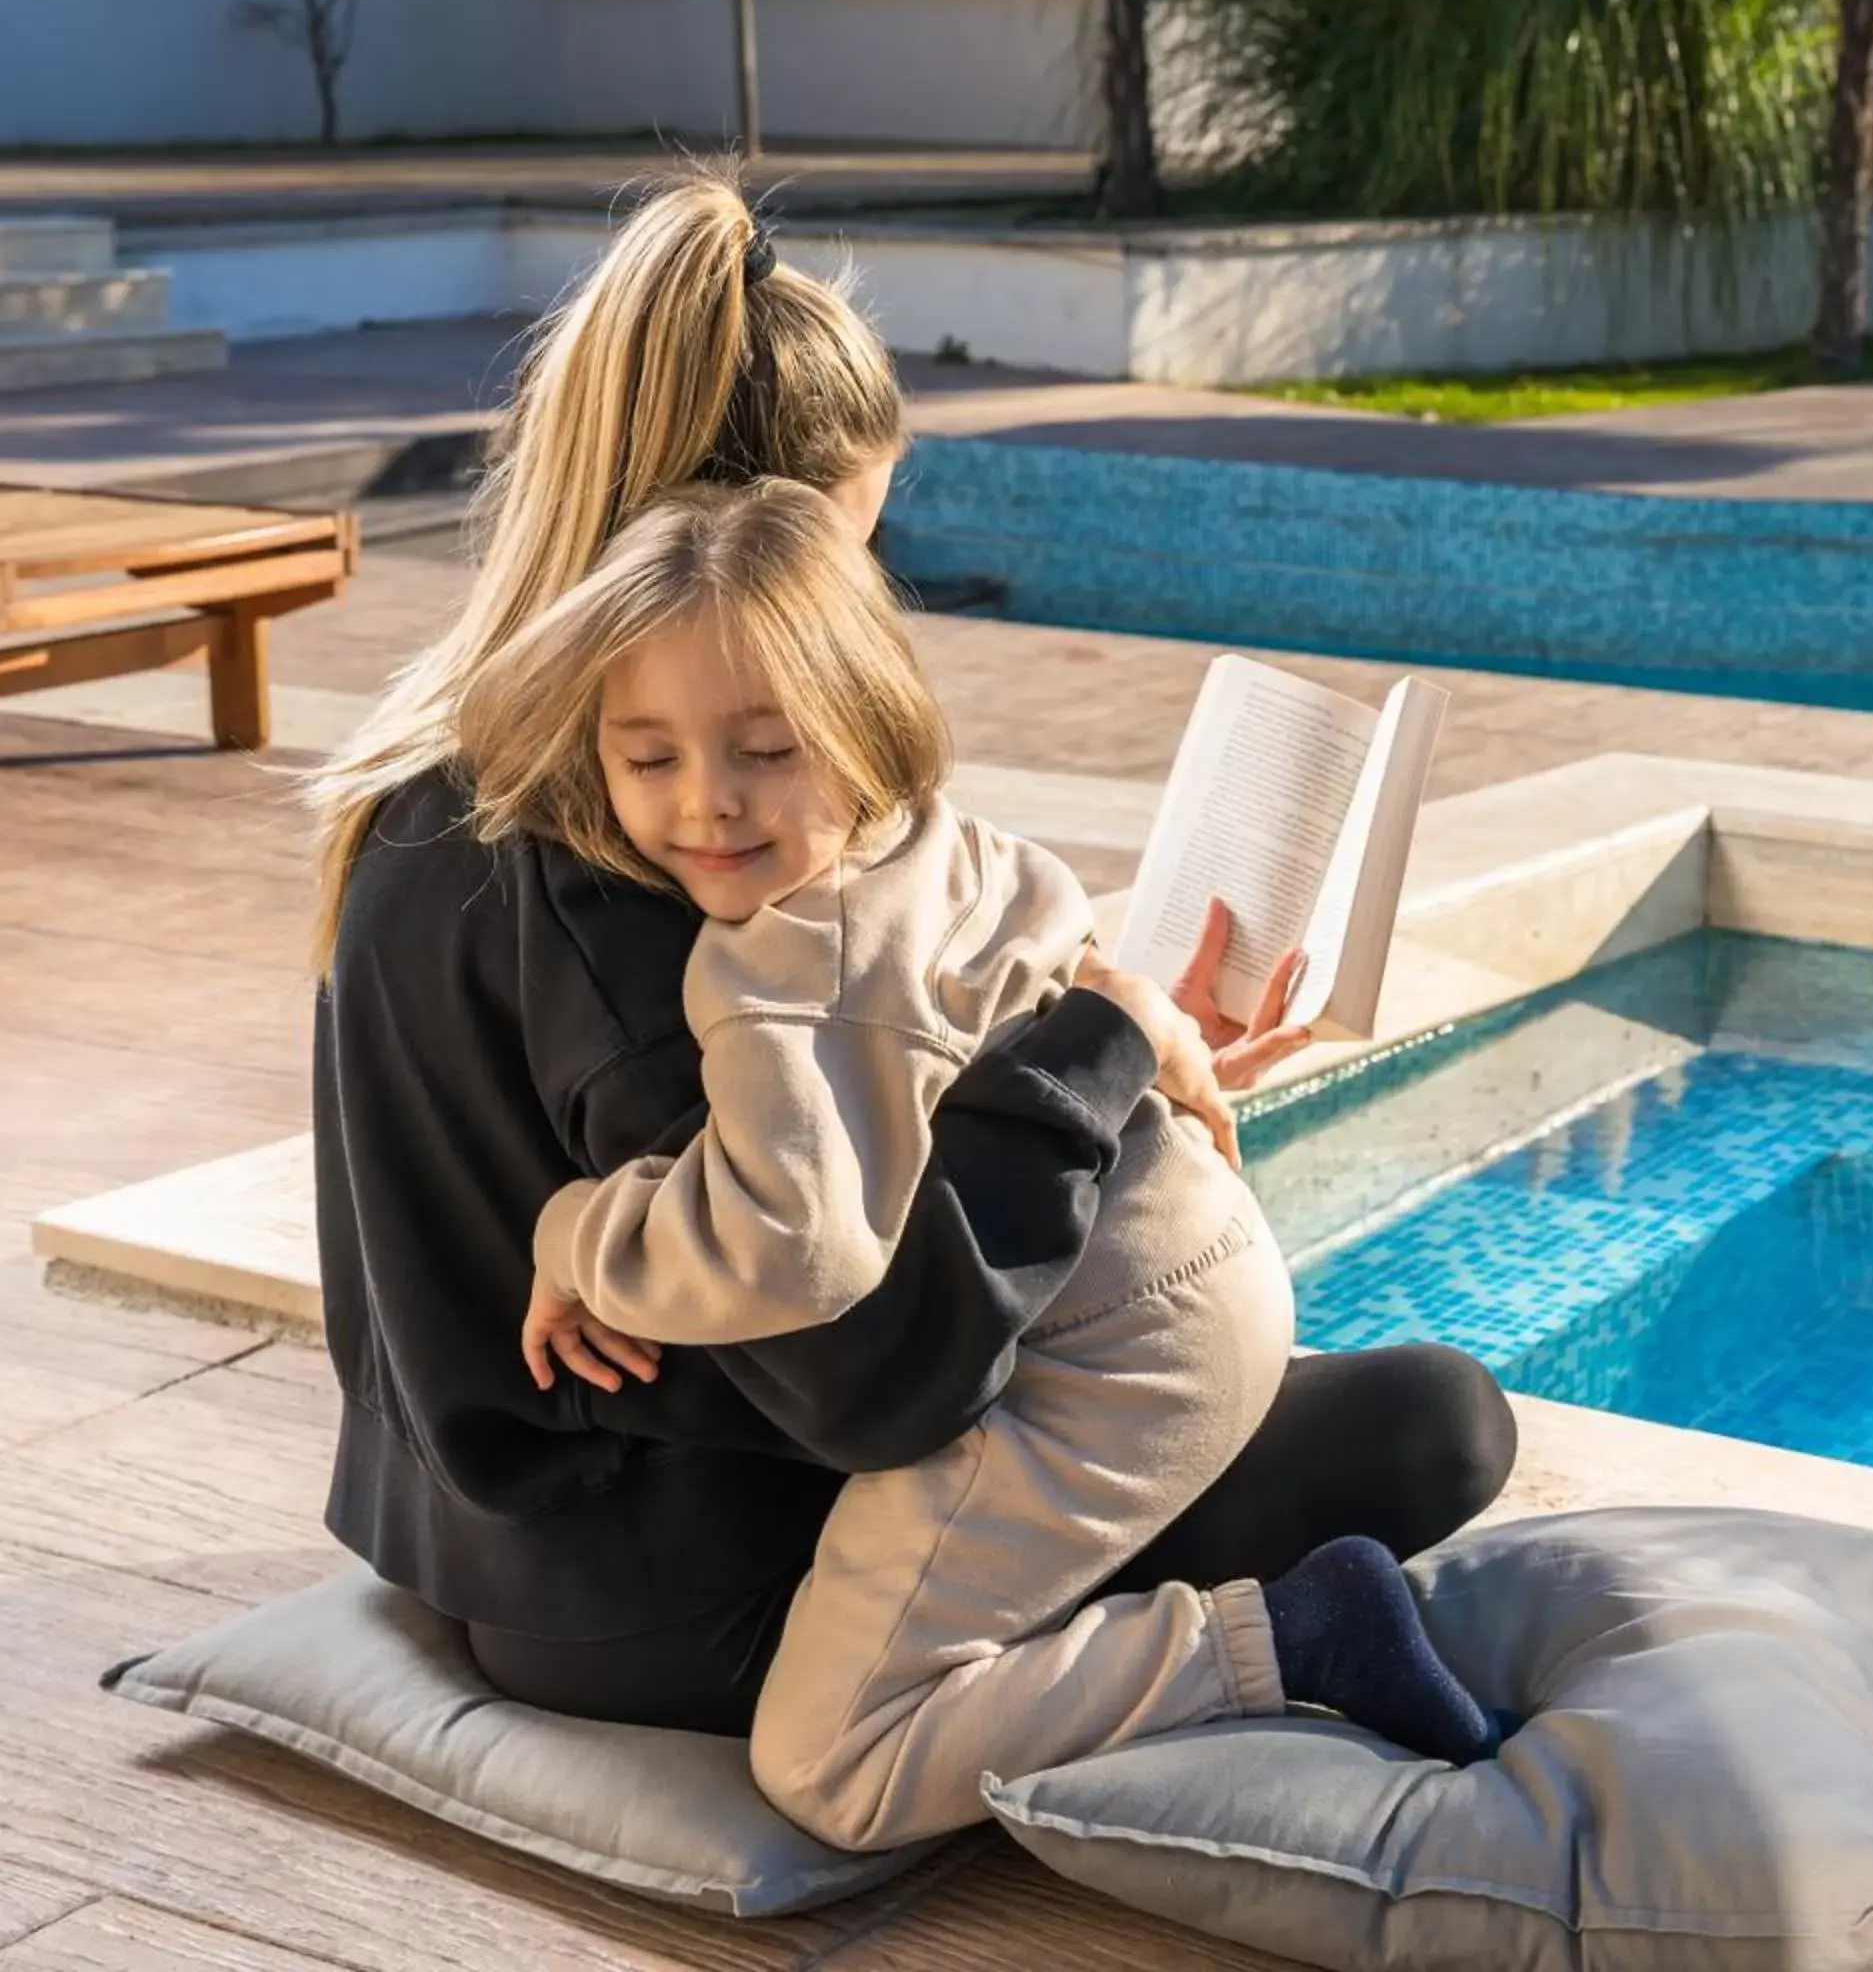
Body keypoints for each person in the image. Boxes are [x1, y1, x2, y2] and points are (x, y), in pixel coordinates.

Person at [303, 169, 1517, 1751]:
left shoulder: (472, 776)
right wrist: (1095, 1055)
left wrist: (1122, 1033)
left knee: (1307, 1388)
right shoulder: (623, 884)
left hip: (476, 1530)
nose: (860, 610)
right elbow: (877, 1377)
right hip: (682, 1592)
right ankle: (1282, 1650)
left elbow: (818, 1170)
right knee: (1437, 1426)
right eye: (849, 564)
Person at [475, 479, 1496, 1850]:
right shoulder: (935, 839)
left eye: (765, 749)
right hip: (1206, 1273)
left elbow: (795, 1243)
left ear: (863, 729)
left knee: (831, 1763)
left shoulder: (783, 972)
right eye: (647, 758)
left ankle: (1297, 1639)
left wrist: (576, 1236)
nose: (707, 803)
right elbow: (1051, 958)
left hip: (1098, 1369)